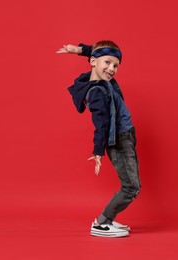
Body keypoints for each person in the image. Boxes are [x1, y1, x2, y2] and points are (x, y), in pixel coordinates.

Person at [57, 41, 141, 238]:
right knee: (131, 187)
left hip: (127, 136)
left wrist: (79, 50)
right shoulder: (96, 92)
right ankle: (102, 223)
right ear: (93, 62)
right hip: (119, 141)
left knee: (133, 185)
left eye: (115, 65)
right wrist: (97, 151)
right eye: (108, 63)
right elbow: (101, 124)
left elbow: (98, 52)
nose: (111, 69)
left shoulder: (104, 80)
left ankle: (107, 220)